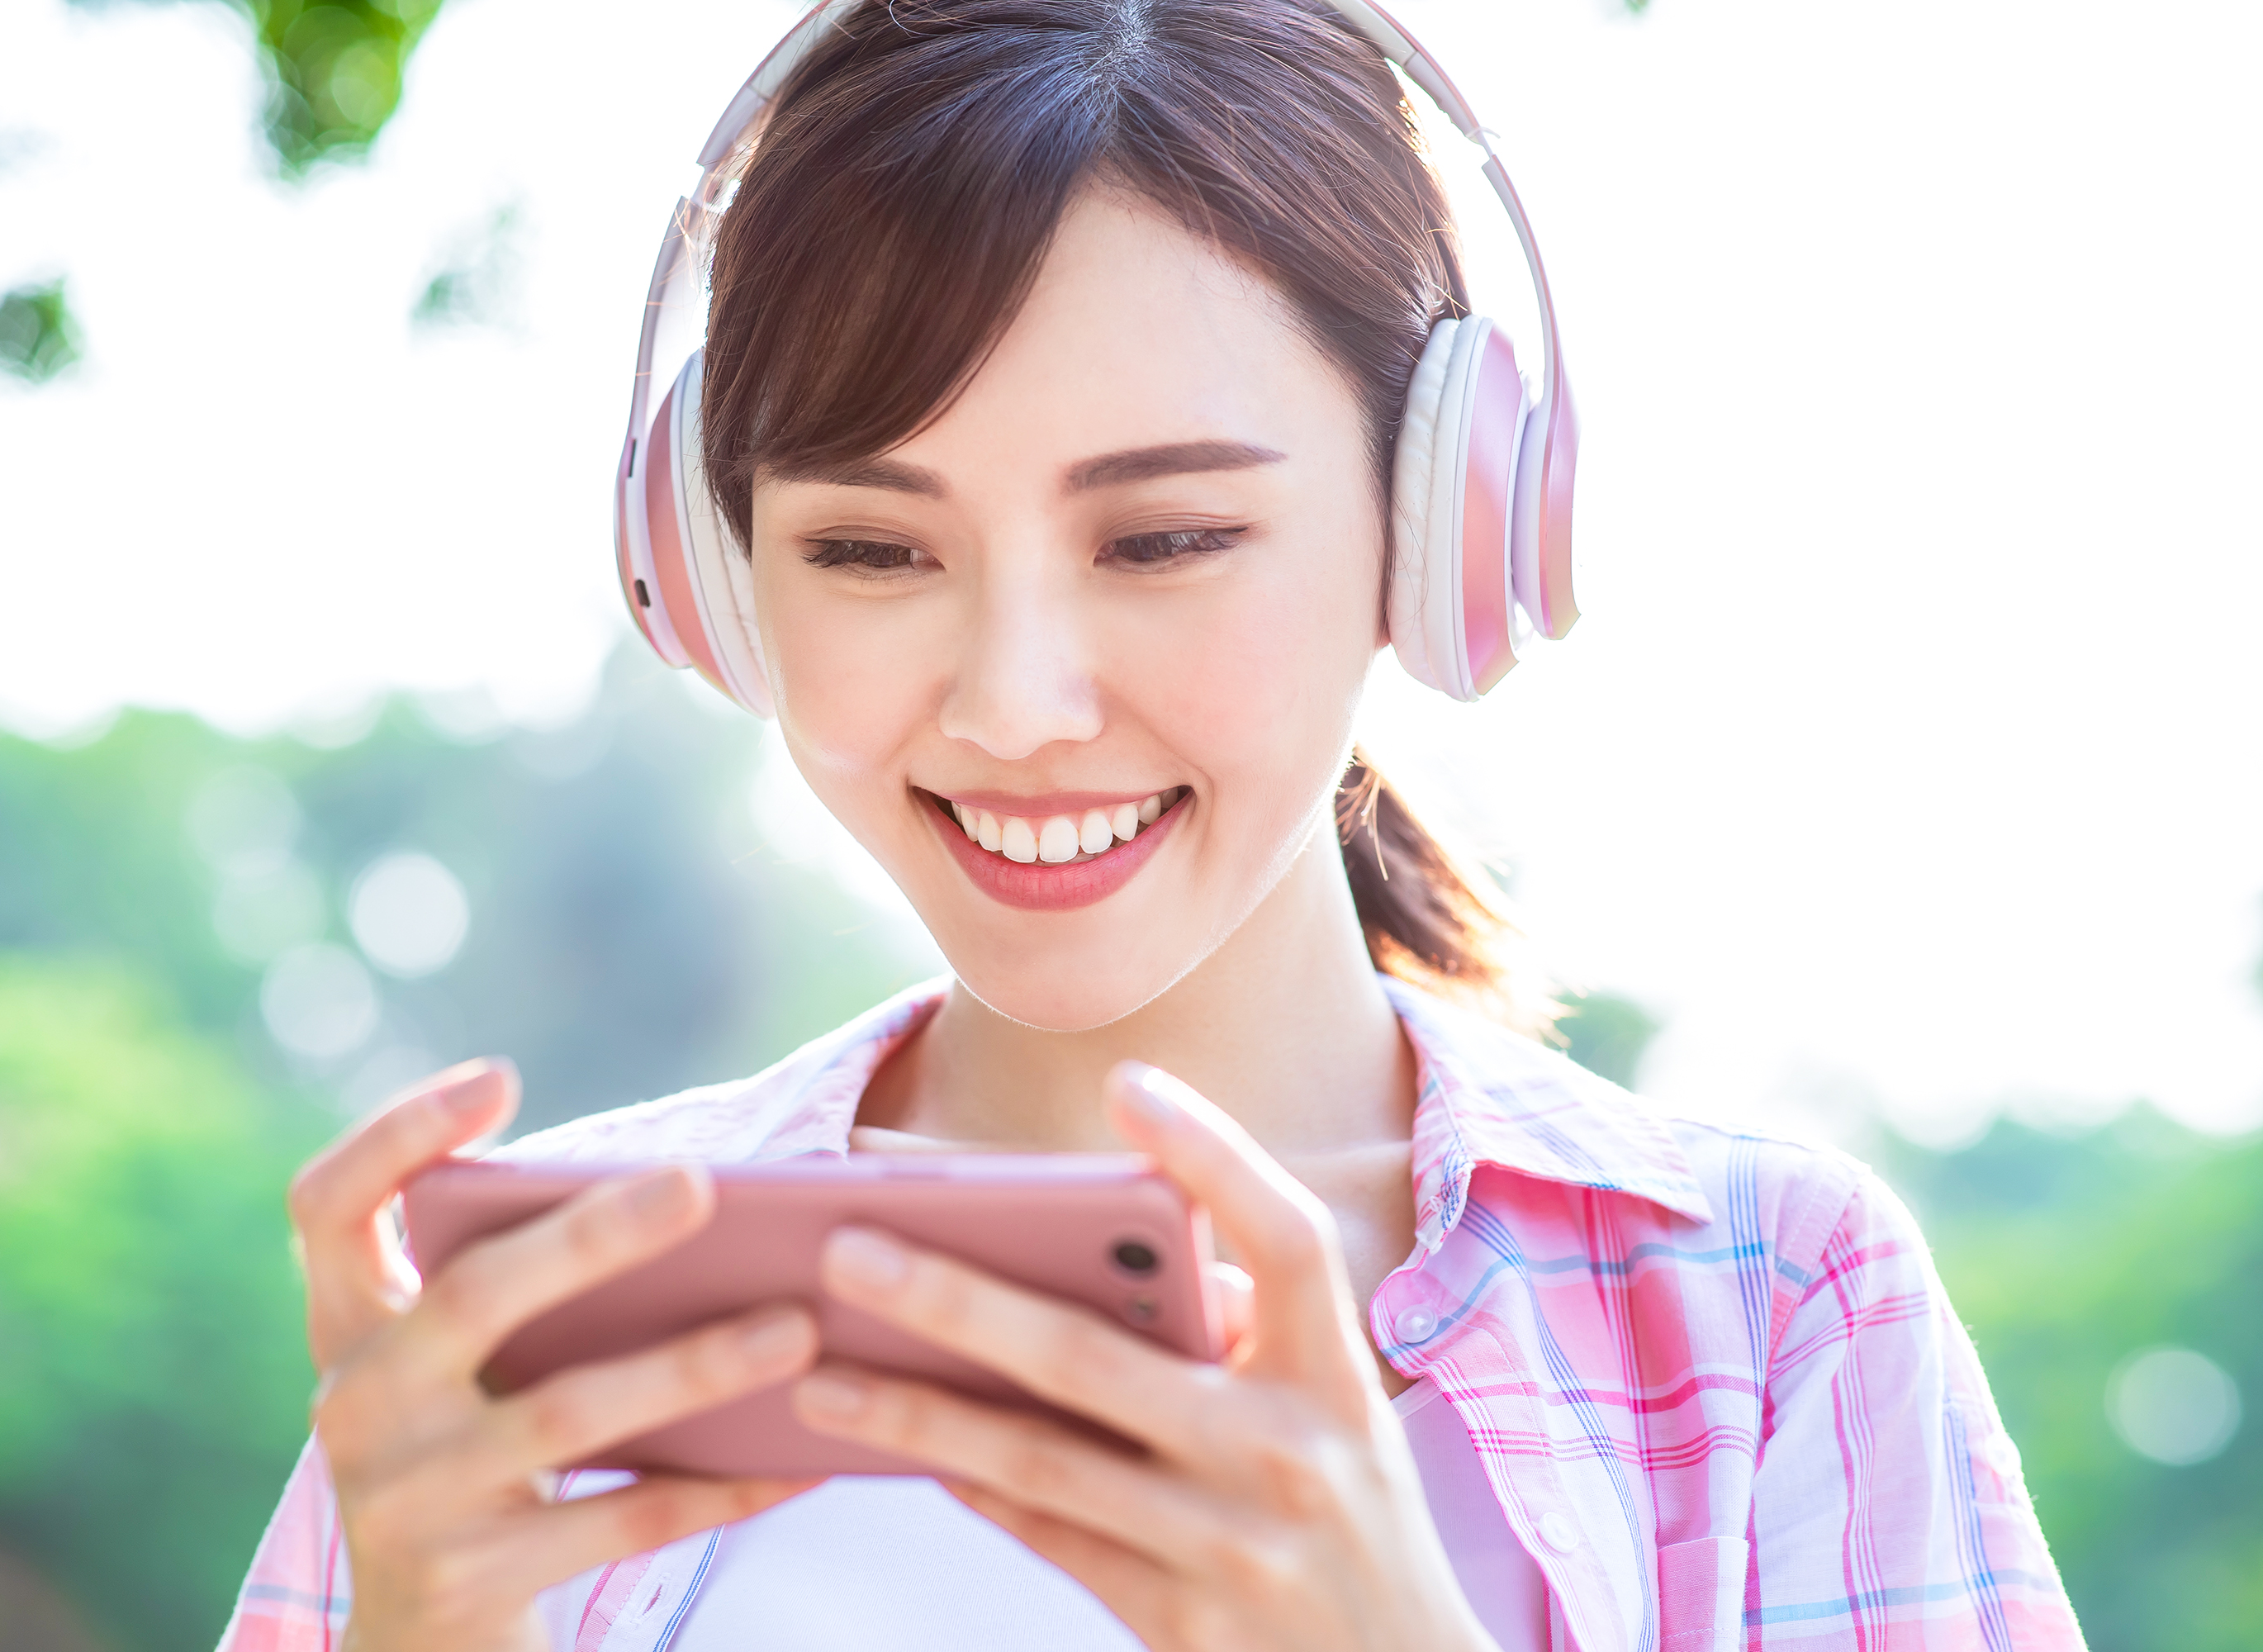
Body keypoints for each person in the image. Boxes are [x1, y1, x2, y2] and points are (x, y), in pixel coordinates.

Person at [221, 2, 2085, 1648]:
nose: (1015, 700)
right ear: (710, 581)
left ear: (1442, 533)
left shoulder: (1768, 1308)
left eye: (1168, 538)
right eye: (871, 550)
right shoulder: (539, 1337)